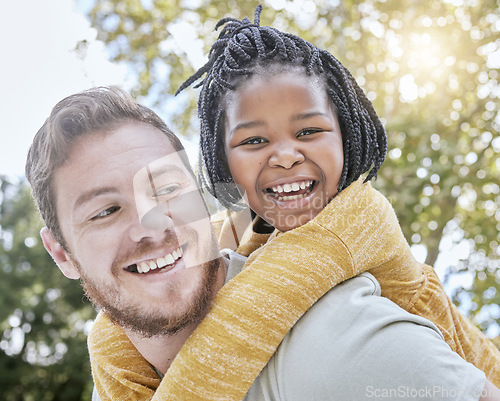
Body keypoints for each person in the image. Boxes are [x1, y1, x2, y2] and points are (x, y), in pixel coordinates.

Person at [84, 5, 500, 400]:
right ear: (223, 159)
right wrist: (108, 331)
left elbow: (231, 334)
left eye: (308, 131)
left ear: (346, 134)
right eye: (254, 141)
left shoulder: (354, 219)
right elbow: (116, 326)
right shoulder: (247, 226)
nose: (285, 155)